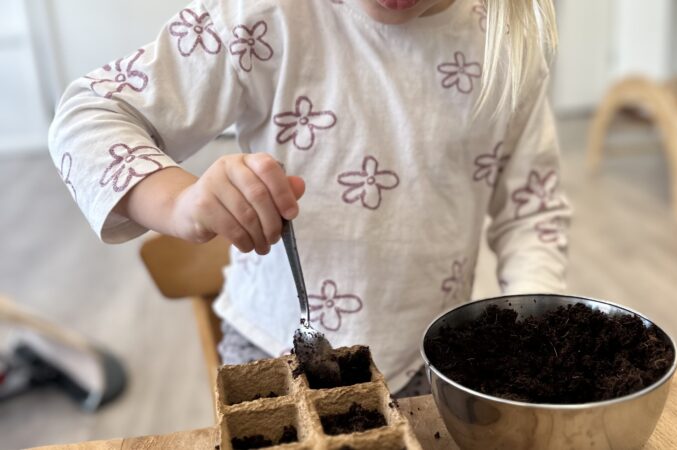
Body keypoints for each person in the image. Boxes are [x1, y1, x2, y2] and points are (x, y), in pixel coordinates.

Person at [49, 0, 570, 396]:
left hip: (433, 362)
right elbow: (88, 116)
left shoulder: (506, 41)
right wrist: (181, 202)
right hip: (272, 348)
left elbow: (533, 210)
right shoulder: (261, 16)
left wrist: (529, 334)